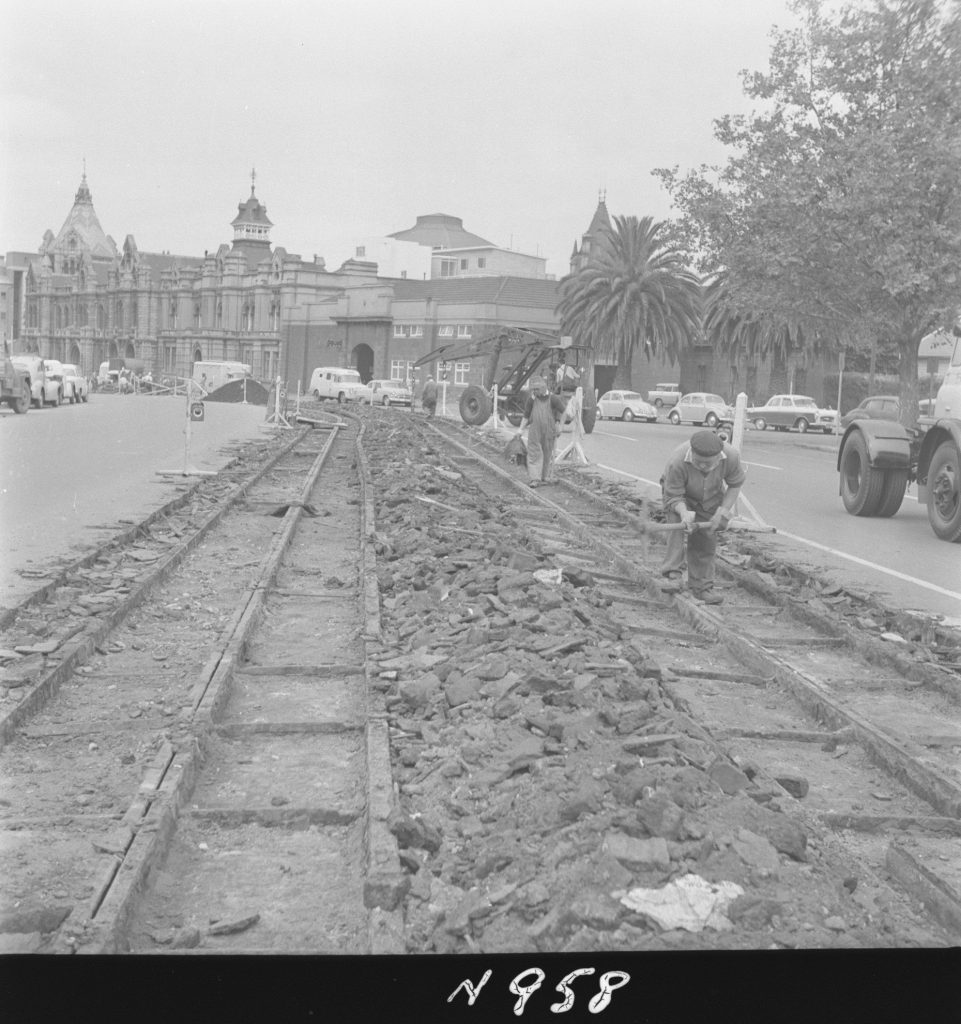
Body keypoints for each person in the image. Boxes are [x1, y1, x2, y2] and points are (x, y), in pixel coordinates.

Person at [660, 429, 746, 604]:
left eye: (708, 464)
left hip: (711, 496)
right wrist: (684, 513)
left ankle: (701, 587)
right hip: (680, 496)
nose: (703, 467)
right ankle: (673, 575)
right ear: (692, 454)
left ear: (718, 457)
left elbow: (735, 485)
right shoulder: (677, 461)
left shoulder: (731, 456)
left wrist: (723, 511)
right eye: (699, 463)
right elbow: (674, 495)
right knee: (677, 527)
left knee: (706, 537)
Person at [518, 376, 568, 487]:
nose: (534, 392)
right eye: (533, 389)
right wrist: (520, 430)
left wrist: (561, 426)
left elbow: (564, 412)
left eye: (536, 389)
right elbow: (526, 416)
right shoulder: (531, 400)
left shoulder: (553, 399)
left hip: (549, 431)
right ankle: (535, 479)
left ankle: (544, 477)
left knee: (547, 453)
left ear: (543, 387)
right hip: (535, 431)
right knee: (534, 453)